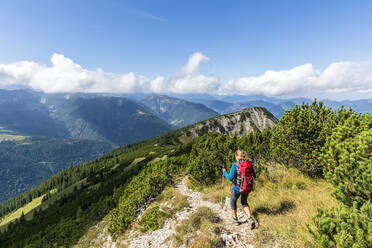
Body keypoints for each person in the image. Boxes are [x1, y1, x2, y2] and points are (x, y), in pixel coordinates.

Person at [223, 149, 256, 229]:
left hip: (237, 188)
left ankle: (235, 220)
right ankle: (250, 218)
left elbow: (230, 178)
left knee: (233, 201)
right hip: (247, 187)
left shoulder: (235, 165)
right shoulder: (249, 164)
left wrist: (224, 172)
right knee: (244, 202)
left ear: (237, 156)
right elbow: (254, 176)